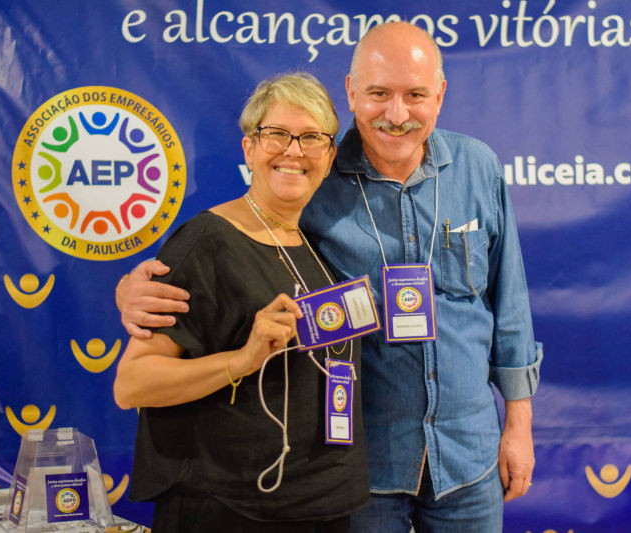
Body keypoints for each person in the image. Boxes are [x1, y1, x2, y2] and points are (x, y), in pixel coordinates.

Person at [117, 22, 542, 532]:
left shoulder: (478, 167)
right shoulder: (315, 176)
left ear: (440, 95)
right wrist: (131, 288)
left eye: (415, 94)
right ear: (351, 93)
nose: (397, 114)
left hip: (468, 458)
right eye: (379, 93)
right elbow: (236, 244)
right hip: (365, 466)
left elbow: (509, 306)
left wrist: (519, 425)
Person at [113, 72, 369, 533]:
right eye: (276, 134)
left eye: (311, 138)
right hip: (231, 507)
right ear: (249, 149)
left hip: (320, 502)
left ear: (330, 157)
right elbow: (132, 383)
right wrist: (243, 359)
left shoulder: (314, 245)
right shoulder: (206, 242)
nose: (294, 151)